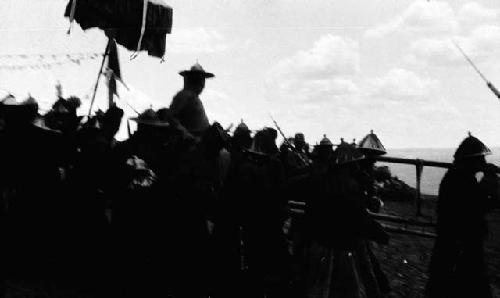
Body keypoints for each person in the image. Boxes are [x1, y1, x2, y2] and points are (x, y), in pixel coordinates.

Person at [426, 133, 498, 298]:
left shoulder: (455, 177)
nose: (483, 162)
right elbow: (483, 205)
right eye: (480, 159)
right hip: (462, 243)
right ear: (471, 161)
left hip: (452, 242)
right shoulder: (462, 181)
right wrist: (491, 180)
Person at [169, 62, 214, 138]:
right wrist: (185, 134)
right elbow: (171, 117)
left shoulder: (194, 97)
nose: (203, 85)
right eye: (200, 80)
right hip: (190, 144)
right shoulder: (184, 95)